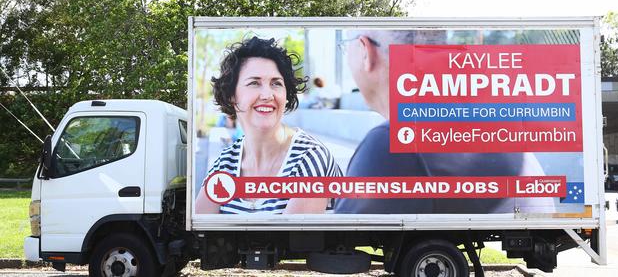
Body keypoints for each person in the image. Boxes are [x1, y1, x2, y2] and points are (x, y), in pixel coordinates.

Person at [334, 30, 554, 214]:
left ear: (366, 51)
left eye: (346, 47)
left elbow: (342, 235)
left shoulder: (392, 145)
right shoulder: (481, 122)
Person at [195, 36, 342, 214]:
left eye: (276, 83)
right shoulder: (225, 163)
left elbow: (292, 241)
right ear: (231, 95)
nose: (267, 94)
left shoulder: (310, 158)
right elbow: (199, 234)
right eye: (254, 83)